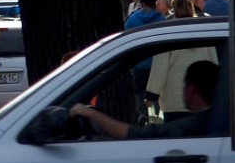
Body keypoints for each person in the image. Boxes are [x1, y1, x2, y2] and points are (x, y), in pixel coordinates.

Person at [70, 60, 219, 139]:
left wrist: (90, 113)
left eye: (184, 85)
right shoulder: (216, 121)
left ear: (192, 89)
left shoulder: (195, 125)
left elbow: (135, 134)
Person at [144, 34, 217, 123]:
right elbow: (213, 64)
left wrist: (152, 95)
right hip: (200, 99)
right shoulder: (205, 34)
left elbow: (160, 68)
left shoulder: (167, 34)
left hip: (173, 102)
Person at [124, 0, 166, 121]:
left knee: (139, 91)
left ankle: (142, 114)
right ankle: (160, 114)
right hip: (157, 63)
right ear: (155, 3)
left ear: (141, 3)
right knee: (158, 91)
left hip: (138, 63)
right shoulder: (160, 19)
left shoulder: (132, 19)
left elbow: (126, 39)